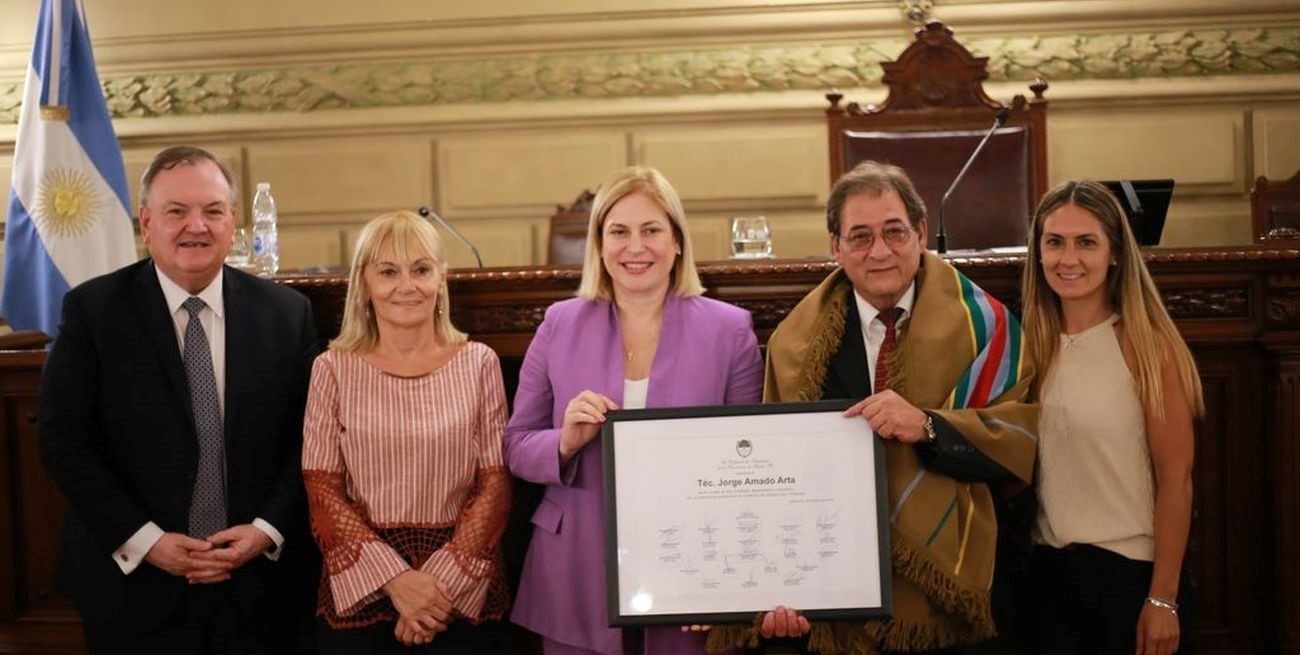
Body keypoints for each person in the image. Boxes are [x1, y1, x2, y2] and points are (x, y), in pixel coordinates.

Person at [708, 160, 1039, 655]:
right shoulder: (793, 345)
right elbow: (775, 480)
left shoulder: (985, 327)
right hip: (835, 588)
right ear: (836, 247)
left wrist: (928, 425)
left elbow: (1018, 446)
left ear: (920, 234)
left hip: (953, 598)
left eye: (894, 232)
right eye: (860, 237)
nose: (879, 251)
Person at [38, 145, 319, 653]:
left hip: (259, 585)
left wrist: (265, 530)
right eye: (176, 211)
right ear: (146, 223)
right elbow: (65, 442)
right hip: (132, 586)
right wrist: (147, 541)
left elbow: (309, 441)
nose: (197, 226)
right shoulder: (93, 312)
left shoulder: (287, 314)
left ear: (233, 220)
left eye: (213, 210)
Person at [505, 165, 764, 655]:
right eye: (619, 232)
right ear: (599, 245)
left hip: (694, 566)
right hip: (574, 567)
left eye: (651, 230)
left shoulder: (729, 331)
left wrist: (724, 579)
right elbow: (516, 446)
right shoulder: (559, 324)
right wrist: (564, 442)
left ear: (677, 241)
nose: (635, 247)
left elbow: (748, 463)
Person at [302, 210, 512, 654]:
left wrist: (437, 589)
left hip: (459, 590)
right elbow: (322, 491)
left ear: (441, 278)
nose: (406, 286)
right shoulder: (331, 369)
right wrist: (396, 581)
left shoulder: (479, 363)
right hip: (363, 590)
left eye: (420, 269)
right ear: (364, 284)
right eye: (388, 272)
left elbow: (495, 485)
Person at [1021, 180, 1201, 655]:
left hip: (1128, 577)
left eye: (1086, 242)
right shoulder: (1029, 347)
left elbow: (1177, 480)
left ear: (1115, 253)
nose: (1068, 259)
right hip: (1047, 579)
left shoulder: (1147, 347)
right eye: (1054, 242)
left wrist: (1162, 599)